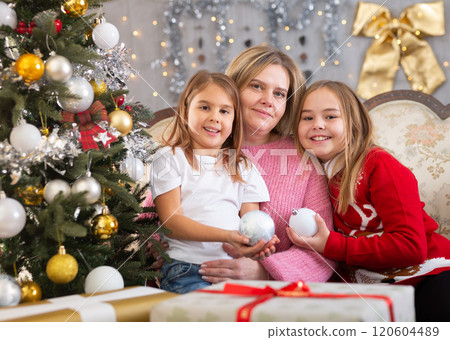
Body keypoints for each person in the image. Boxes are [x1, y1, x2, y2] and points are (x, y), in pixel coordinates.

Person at [288, 80, 450, 321]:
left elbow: (411, 247)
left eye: (331, 116)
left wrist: (331, 245)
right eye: (307, 118)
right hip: (372, 290)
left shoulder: (380, 166)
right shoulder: (311, 175)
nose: (318, 125)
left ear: (354, 124)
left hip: (429, 275)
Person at [197, 44, 336, 283]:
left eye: (279, 94)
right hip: (191, 280)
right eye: (257, 86)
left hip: (272, 296)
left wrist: (264, 272)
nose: (268, 100)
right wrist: (161, 255)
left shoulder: (303, 158)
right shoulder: (199, 145)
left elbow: (323, 251)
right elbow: (154, 219)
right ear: (233, 89)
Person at [150, 70, 278, 294]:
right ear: (185, 110)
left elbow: (250, 222)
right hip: (186, 270)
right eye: (204, 107)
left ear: (234, 119)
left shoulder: (243, 167)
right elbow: (171, 222)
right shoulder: (170, 158)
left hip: (231, 271)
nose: (215, 117)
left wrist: (254, 246)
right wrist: (227, 235)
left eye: (224, 111)